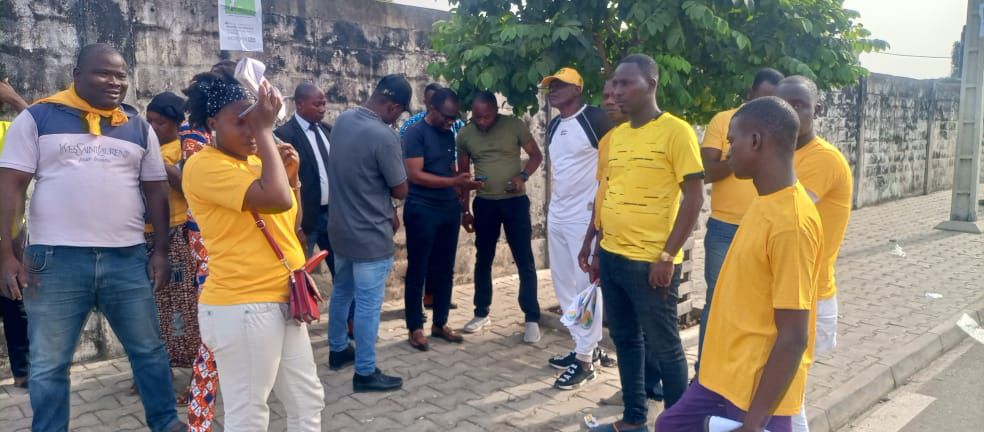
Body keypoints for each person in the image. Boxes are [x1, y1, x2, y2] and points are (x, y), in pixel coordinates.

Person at [0, 43, 184, 431]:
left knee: (149, 352)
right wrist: (7, 256)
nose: (114, 82)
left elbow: (155, 191)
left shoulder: (137, 127)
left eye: (120, 75)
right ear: (77, 73)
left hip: (127, 258)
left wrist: (161, 251)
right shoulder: (37, 117)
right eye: (103, 73)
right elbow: (11, 189)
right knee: (49, 363)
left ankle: (166, 425)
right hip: (54, 262)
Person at [655, 96, 822, 432]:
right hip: (723, 376)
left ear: (756, 141)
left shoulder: (791, 222)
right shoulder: (765, 202)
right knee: (669, 425)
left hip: (753, 389)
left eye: (732, 141)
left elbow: (793, 337)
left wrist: (753, 423)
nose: (727, 152)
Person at [181, 71, 325, 430]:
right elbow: (274, 200)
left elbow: (291, 222)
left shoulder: (259, 162)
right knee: (249, 412)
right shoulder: (203, 165)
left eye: (254, 121)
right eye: (241, 123)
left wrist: (292, 176)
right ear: (213, 123)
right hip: (243, 305)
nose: (250, 131)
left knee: (307, 399)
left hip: (284, 297)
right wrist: (264, 129)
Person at [588, 54, 704, 432]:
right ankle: (635, 418)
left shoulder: (676, 131)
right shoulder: (616, 136)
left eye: (625, 83)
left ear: (651, 84)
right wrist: (597, 247)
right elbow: (610, 194)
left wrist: (668, 256)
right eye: (614, 84)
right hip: (612, 256)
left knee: (665, 347)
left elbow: (694, 198)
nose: (617, 91)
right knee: (625, 340)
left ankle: (676, 425)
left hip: (651, 262)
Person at [775, 75, 853, 432]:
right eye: (782, 104)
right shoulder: (782, 156)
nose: (789, 111)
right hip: (789, 293)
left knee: (788, 400)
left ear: (817, 110)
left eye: (799, 104)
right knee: (782, 396)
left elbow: (785, 213)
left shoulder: (822, 160)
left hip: (807, 298)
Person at [326, 74, 411, 393]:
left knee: (342, 290)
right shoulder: (384, 135)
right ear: (392, 106)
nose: (398, 118)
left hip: (340, 228)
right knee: (367, 304)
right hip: (371, 233)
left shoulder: (344, 119)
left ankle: (337, 350)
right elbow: (400, 188)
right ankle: (364, 371)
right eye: (399, 113)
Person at [696, 67, 784, 372]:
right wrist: (744, 151)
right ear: (749, 95)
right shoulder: (724, 121)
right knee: (717, 301)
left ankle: (743, 372)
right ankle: (704, 373)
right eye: (762, 100)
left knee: (760, 307)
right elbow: (706, 171)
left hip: (768, 227)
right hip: (725, 227)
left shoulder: (782, 130)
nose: (766, 110)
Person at [578, 79, 661, 402]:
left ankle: (651, 388)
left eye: (617, 95)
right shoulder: (609, 141)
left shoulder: (664, 134)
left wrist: (666, 255)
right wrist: (591, 242)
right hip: (611, 247)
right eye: (606, 95)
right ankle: (635, 394)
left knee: (651, 329)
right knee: (627, 332)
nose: (610, 101)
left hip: (647, 252)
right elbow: (604, 194)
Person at [539, 67, 614, 389]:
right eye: (550, 86)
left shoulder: (595, 119)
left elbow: (609, 172)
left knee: (586, 290)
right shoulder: (554, 124)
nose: (552, 90)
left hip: (583, 219)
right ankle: (584, 347)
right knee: (565, 288)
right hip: (557, 215)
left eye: (560, 85)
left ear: (578, 90)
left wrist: (598, 225)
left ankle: (586, 362)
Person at [457, 90, 544, 342]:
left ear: (495, 111)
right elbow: (463, 176)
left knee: (524, 260)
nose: (482, 122)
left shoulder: (514, 125)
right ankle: (481, 312)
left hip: (515, 203)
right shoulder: (465, 134)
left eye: (486, 117)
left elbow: (536, 155)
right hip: (485, 205)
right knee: (483, 260)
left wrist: (522, 177)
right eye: (477, 117)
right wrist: (465, 209)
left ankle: (531, 318)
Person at [402, 88, 480, 351]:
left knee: (446, 268)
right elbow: (415, 175)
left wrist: (464, 189)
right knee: (418, 270)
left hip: (447, 208)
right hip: (422, 209)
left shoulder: (450, 134)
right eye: (447, 116)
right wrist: (453, 181)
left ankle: (440, 323)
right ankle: (415, 327)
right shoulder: (415, 134)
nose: (451, 121)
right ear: (432, 109)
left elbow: (450, 170)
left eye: (454, 116)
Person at [144, 91, 202, 405]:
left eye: (160, 122)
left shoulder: (186, 146)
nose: (153, 127)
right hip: (145, 236)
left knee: (185, 308)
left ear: (178, 123)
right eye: (150, 121)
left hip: (177, 235)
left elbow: (187, 185)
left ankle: (199, 376)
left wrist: (157, 160)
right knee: (155, 311)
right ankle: (159, 375)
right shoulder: (145, 144)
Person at [274, 83, 336, 273]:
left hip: (332, 215)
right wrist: (296, 225)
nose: (322, 109)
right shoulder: (284, 135)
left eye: (324, 104)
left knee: (342, 272)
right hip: (305, 219)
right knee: (300, 273)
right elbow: (284, 180)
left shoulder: (327, 130)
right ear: (300, 105)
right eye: (317, 105)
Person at [0, 78, 30, 390]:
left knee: (15, 306)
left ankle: (23, 372)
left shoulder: (11, 130)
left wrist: (15, 100)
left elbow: (46, 134)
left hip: (9, 239)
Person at [400, 82, 465, 139]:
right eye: (431, 103)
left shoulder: (458, 125)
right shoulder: (411, 125)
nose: (434, 107)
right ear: (424, 101)